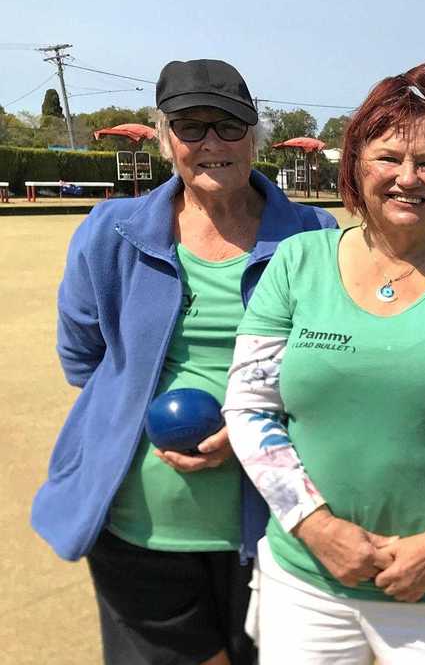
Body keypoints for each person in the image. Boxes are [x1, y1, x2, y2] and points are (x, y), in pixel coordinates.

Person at [222, 63, 425, 664]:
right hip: (309, 580)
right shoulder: (298, 262)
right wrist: (317, 527)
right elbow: (249, 406)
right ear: (355, 166)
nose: (408, 178)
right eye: (388, 158)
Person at [31, 58, 337, 665]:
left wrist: (248, 428)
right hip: (138, 529)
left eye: (227, 125)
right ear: (167, 136)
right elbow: (84, 358)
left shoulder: (313, 236)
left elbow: (330, 369)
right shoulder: (110, 231)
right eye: (190, 127)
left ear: (254, 134)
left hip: (279, 523)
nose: (210, 143)